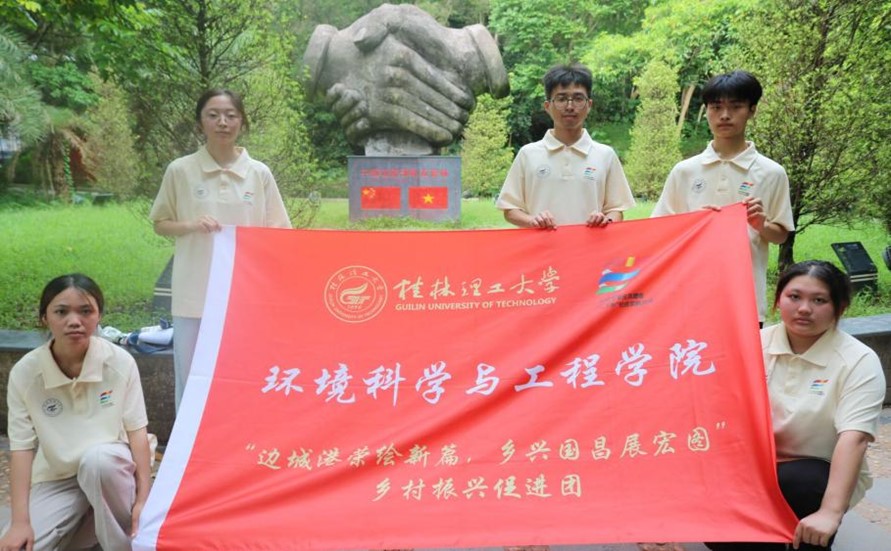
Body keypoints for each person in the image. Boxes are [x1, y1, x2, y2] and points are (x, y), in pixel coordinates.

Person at [707, 260, 885, 550]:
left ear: (840, 308)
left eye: (819, 300)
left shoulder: (858, 361)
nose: (804, 308)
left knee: (803, 482)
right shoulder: (752, 345)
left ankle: (812, 533)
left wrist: (830, 512)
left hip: (818, 473)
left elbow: (854, 438)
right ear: (778, 300)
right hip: (751, 466)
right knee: (723, 539)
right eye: (794, 296)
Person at [150, 89, 292, 411]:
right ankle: (191, 440)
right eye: (213, 115)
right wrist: (191, 225)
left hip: (246, 295)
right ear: (200, 122)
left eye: (231, 115)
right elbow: (160, 223)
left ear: (242, 121)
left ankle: (243, 436)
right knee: (191, 376)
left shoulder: (258, 173)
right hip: (193, 293)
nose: (222, 122)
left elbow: (280, 233)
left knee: (245, 372)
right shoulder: (180, 170)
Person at [0, 274, 153, 551]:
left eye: (85, 311)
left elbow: (137, 432)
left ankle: (122, 544)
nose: (74, 321)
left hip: (111, 473)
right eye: (61, 312)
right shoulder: (25, 373)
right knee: (20, 545)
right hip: (57, 478)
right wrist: (20, 521)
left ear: (99, 316)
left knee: (98, 462)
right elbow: (21, 449)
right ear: (44, 318)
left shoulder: (120, 362)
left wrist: (144, 500)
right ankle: (89, 525)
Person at [650, 70, 794, 325]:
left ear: (752, 110)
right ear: (706, 111)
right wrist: (694, 223)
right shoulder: (685, 171)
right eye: (716, 107)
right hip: (688, 296)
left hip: (744, 299)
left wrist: (761, 224)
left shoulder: (772, 173)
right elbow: (659, 231)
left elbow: (781, 235)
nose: (725, 115)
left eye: (736, 107)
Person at [496, 63, 635, 229]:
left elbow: (616, 209)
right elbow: (510, 209)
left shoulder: (605, 155)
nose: (570, 106)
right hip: (541, 246)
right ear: (548, 106)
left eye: (578, 99)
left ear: (589, 105)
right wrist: (532, 221)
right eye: (561, 99)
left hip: (590, 246)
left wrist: (605, 220)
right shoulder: (528, 154)